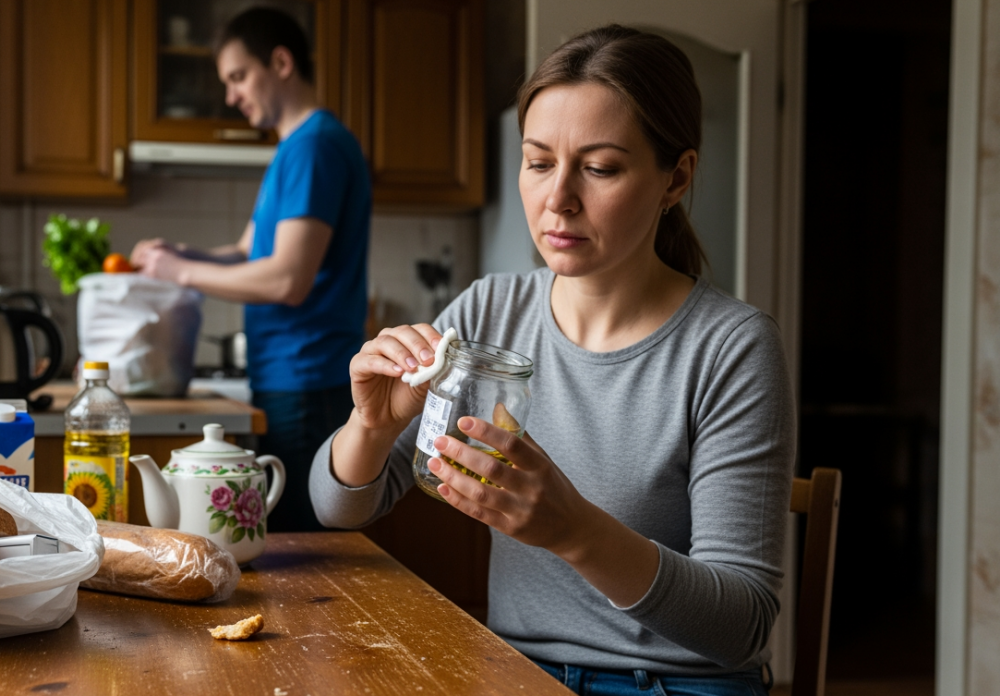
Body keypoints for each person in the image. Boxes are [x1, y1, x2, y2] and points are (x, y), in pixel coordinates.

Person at [309, 25, 793, 695]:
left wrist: (575, 532)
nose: (558, 198)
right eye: (538, 162)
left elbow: (742, 624)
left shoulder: (732, 348)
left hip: (675, 684)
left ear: (675, 178)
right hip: (517, 674)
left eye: (600, 168)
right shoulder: (489, 313)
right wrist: (372, 425)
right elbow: (337, 509)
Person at [132, 7, 371, 533]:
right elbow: (247, 251)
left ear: (280, 63)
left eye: (238, 77)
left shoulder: (314, 146)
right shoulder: (296, 148)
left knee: (308, 553)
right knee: (290, 544)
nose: (230, 96)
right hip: (292, 377)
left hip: (308, 380)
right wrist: (185, 252)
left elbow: (287, 279)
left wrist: (179, 271)